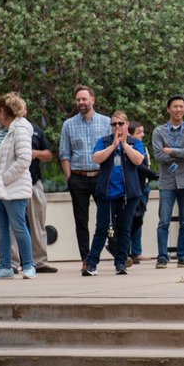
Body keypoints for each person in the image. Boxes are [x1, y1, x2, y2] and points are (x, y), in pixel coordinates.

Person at [86, 111, 147, 275]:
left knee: (124, 229)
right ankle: (91, 264)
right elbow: (96, 158)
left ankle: (121, 263)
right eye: (114, 124)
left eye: (121, 123)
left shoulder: (135, 142)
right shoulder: (104, 141)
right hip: (107, 192)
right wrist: (113, 146)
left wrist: (125, 145)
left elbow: (139, 160)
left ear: (127, 125)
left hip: (128, 194)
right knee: (102, 228)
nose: (117, 127)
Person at [59, 85, 109, 273]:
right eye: (78, 99)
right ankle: (86, 259)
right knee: (81, 221)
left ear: (92, 100)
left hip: (100, 176)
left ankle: (118, 252)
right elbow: (64, 153)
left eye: (84, 99)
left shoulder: (106, 122)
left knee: (107, 217)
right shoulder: (68, 124)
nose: (81, 102)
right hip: (78, 178)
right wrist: (69, 178)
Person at [0, 93, 35, 280]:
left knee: (19, 227)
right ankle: (5, 266)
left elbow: (24, 159)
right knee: (1, 229)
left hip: (13, 187)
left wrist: (5, 178)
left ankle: (29, 265)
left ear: (1, 111)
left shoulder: (20, 129)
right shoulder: (1, 130)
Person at [153, 96, 184, 268]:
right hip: (167, 182)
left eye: (181, 107)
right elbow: (159, 156)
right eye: (175, 107)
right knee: (163, 221)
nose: (178, 110)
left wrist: (172, 151)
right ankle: (162, 257)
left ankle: (183, 256)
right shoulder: (159, 131)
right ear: (168, 109)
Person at [11, 121, 58, 273]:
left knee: (37, 224)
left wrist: (35, 153)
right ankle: (12, 263)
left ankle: (40, 262)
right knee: (13, 227)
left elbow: (48, 154)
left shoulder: (35, 130)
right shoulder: (6, 131)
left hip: (33, 183)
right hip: (12, 185)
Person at [128, 121, 154, 264]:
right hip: (134, 189)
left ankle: (136, 251)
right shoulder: (129, 148)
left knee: (139, 220)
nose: (142, 135)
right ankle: (127, 251)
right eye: (139, 132)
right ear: (130, 135)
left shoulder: (143, 147)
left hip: (144, 188)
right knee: (131, 220)